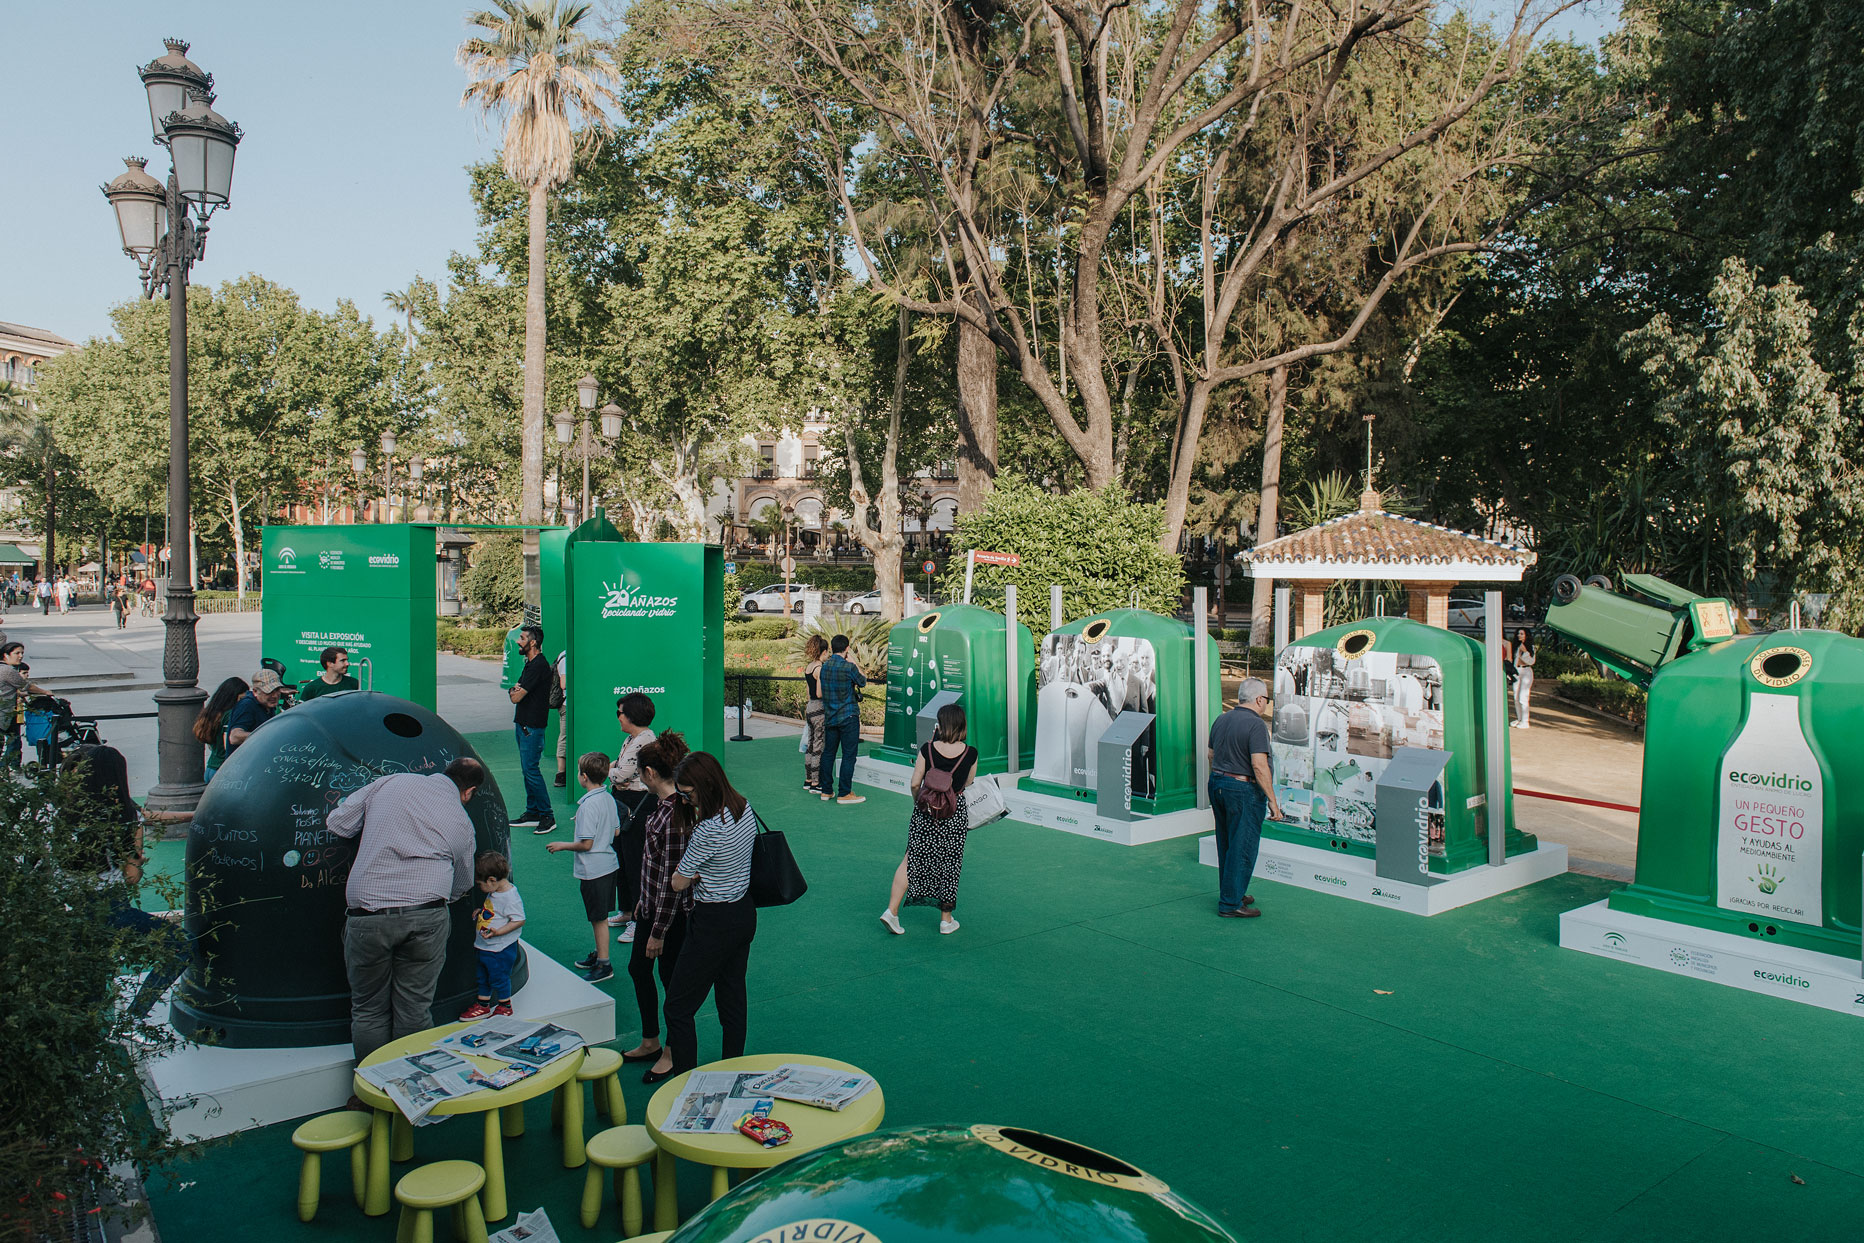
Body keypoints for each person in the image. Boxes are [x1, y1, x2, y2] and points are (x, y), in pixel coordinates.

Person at [327, 756, 484, 1060]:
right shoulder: (461, 822)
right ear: (469, 792)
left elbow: (338, 823)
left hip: (367, 913)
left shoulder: (390, 781)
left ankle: (370, 1089)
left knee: (368, 1009)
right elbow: (462, 882)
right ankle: (414, 1093)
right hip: (426, 914)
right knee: (414, 1008)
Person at [65, 745, 187, 1019]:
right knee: (181, 945)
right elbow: (132, 877)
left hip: (65, 909)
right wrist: (137, 853)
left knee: (86, 984)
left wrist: (190, 815)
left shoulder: (58, 811)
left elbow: (149, 815)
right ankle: (135, 1016)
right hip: (107, 908)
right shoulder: (119, 818)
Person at [662, 751, 759, 1077]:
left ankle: (684, 1080)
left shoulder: (707, 830)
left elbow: (678, 882)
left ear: (703, 786)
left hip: (712, 922)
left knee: (677, 1007)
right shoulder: (744, 807)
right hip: (743, 912)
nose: (685, 800)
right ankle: (733, 1068)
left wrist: (690, 872)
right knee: (732, 999)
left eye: (687, 794)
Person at [620, 731, 692, 1080]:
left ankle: (671, 1051)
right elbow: (655, 870)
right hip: (651, 909)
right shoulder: (666, 809)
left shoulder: (674, 816)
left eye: (638, 772)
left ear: (649, 773)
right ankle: (651, 1040)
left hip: (669, 917)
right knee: (639, 969)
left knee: (670, 981)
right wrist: (641, 904)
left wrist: (658, 932)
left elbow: (673, 882)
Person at [881, 702, 979, 936]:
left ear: (941, 724)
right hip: (953, 814)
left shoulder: (927, 749)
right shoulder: (971, 753)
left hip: (926, 812)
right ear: (962, 725)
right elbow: (967, 783)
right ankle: (946, 920)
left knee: (910, 860)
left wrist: (919, 802)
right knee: (950, 864)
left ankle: (891, 912)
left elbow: (916, 782)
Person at [1209, 678, 1283, 919]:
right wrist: (1272, 800)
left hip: (1219, 783)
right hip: (1243, 789)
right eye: (1266, 700)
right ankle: (1230, 903)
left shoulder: (1222, 719)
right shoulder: (1256, 725)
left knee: (1227, 842)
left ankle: (1232, 891)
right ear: (1260, 700)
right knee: (1243, 845)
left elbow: (1211, 754)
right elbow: (1259, 765)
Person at [546, 751, 621, 983]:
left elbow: (586, 844)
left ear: (584, 777)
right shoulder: (608, 798)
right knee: (600, 917)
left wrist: (562, 845)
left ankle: (604, 964)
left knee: (598, 919)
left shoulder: (589, 806)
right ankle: (600, 954)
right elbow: (616, 830)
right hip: (609, 865)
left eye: (578, 772)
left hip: (594, 870)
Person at [607, 692, 659, 942]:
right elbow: (619, 770)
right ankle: (626, 911)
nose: (617, 718)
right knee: (622, 860)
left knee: (636, 863)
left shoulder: (645, 741)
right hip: (624, 803)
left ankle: (639, 920)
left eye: (619, 713)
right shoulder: (633, 738)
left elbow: (620, 774)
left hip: (639, 806)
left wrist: (612, 771)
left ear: (631, 716)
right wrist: (616, 771)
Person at [459, 851, 525, 1020]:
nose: (479, 888)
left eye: (480, 884)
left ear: (492, 880)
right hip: (485, 946)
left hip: (499, 949)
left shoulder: (510, 897)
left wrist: (498, 932)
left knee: (498, 977)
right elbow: (495, 911)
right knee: (482, 976)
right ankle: (483, 1005)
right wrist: (482, 912)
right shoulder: (495, 892)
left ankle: (505, 1005)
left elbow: (518, 920)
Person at [507, 625, 556, 833]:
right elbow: (514, 690)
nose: (519, 641)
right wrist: (514, 690)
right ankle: (533, 812)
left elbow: (516, 696)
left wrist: (514, 691)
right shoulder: (530, 664)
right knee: (528, 771)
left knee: (531, 770)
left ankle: (547, 816)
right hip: (524, 725)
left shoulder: (539, 666)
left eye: (522, 638)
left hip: (532, 727)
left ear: (533, 642)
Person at [817, 634, 867, 805]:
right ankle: (844, 792)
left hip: (830, 716)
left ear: (831, 648)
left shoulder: (824, 667)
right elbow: (862, 682)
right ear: (847, 649)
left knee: (828, 753)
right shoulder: (848, 667)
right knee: (848, 755)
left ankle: (826, 790)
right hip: (848, 715)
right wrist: (854, 663)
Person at [193, 676, 250, 782]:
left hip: (211, 768)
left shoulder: (213, 712)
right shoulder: (230, 715)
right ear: (233, 697)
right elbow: (227, 744)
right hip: (222, 770)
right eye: (242, 699)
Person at [0, 642, 47, 768]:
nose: (20, 656)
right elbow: (26, 686)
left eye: (22, 653)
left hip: (8, 713)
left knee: (14, 741)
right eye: (17, 653)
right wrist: (45, 692)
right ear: (6, 655)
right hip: (4, 714)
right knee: (12, 742)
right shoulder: (7, 670)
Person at [225, 668, 286, 757]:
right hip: (241, 765)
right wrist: (267, 736)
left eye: (277, 690)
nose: (275, 695)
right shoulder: (247, 705)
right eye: (269, 692)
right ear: (255, 692)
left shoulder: (268, 704)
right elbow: (234, 737)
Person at [800, 634, 828, 795]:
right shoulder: (820, 668)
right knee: (818, 745)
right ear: (823, 651)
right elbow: (819, 693)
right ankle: (816, 782)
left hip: (809, 707)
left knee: (810, 744)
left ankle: (808, 778)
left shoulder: (808, 667)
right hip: (819, 709)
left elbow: (809, 692)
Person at [1511, 628, 1536, 729]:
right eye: (1518, 633)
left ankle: (1526, 721)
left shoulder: (1531, 647)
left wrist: (1525, 651)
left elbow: (1531, 661)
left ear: (1526, 635)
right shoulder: (1517, 647)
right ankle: (1519, 718)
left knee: (1523, 697)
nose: (1519, 635)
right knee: (1516, 697)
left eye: (1522, 634)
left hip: (1526, 671)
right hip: (1517, 671)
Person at [553, 647, 569, 788]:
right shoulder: (566, 656)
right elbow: (563, 684)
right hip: (566, 704)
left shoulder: (564, 654)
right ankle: (561, 773)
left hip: (569, 705)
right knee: (564, 737)